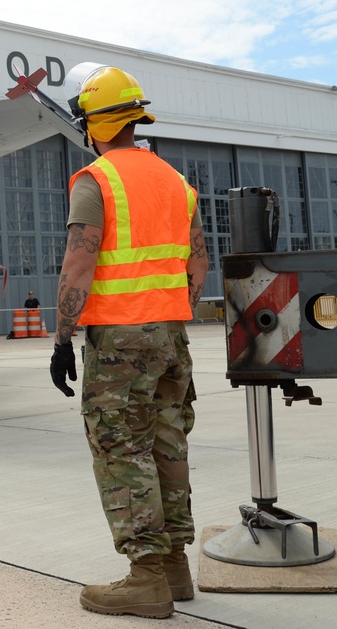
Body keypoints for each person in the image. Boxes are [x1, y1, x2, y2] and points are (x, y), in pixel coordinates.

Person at [49, 65, 208, 619]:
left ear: (92, 122)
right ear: (135, 118)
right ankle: (174, 569)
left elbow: (79, 260)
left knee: (122, 448)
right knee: (168, 442)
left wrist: (63, 338)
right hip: (171, 337)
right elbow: (199, 262)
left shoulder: (97, 179)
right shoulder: (175, 182)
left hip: (119, 339)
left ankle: (145, 577)